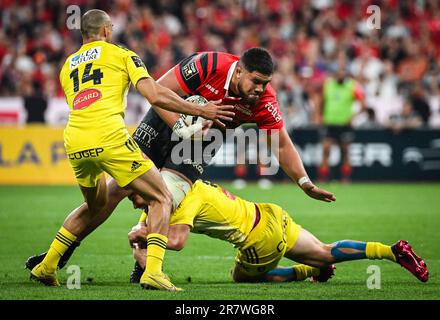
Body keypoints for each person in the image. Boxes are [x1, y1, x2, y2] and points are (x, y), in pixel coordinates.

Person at [26, 47, 336, 286]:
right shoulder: (208, 64)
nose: (259, 89)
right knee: (115, 189)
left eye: (265, 84)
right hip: (165, 119)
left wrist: (304, 182)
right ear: (239, 70)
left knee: (167, 195)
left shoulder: (264, 100)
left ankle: (145, 264)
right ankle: (61, 252)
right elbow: (159, 91)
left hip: (202, 142)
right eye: (255, 81)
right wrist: (185, 126)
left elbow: (280, 143)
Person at [29, 9, 234, 292]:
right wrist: (199, 109)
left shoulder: (68, 65)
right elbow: (155, 95)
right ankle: (153, 272)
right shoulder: (121, 54)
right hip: (110, 137)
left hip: (74, 140)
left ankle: (47, 265)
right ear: (107, 30)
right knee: (161, 197)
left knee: (96, 205)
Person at [127, 180, 429, 284]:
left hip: (261, 241)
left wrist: (140, 237)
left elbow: (176, 242)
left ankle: (305, 271)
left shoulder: (182, 203)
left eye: (132, 193)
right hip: (271, 214)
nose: (130, 198)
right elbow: (148, 226)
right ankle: (392, 251)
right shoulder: (184, 188)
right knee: (325, 250)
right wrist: (141, 234)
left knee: (241, 278)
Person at [318, 67, 365, 182]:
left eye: (343, 73)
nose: (341, 76)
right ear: (335, 75)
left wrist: (353, 117)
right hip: (330, 123)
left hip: (345, 125)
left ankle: (345, 179)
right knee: (326, 149)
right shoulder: (328, 85)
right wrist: (319, 115)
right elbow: (321, 101)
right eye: (339, 73)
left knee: (345, 151)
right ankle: (323, 178)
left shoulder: (352, 86)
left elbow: (363, 104)